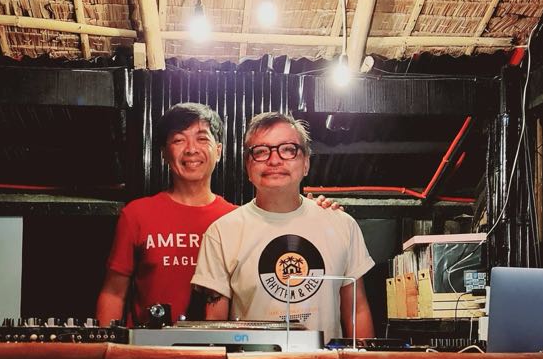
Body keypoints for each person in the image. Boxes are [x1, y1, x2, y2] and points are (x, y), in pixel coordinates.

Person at [192, 111, 375, 340]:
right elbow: (215, 325)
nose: (274, 160)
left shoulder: (342, 224)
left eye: (288, 149)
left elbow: (357, 310)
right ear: (248, 166)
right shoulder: (222, 232)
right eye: (261, 151)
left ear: (306, 163)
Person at [96, 103, 234, 325]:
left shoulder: (235, 219)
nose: (191, 149)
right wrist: (105, 342)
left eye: (202, 138)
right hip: (147, 344)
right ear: (164, 153)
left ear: (218, 151)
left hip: (215, 344)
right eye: (179, 140)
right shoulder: (137, 214)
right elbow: (113, 293)